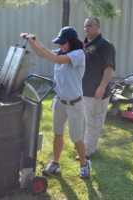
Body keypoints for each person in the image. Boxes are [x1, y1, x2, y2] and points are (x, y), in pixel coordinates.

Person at [20, 27, 91, 179]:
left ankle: (84, 164)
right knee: (57, 133)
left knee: (76, 138)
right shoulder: (61, 51)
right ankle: (55, 162)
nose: (60, 46)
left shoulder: (78, 54)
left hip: (75, 104)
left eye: (63, 43)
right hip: (60, 101)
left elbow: (55, 59)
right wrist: (30, 41)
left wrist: (38, 41)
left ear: (71, 42)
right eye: (59, 43)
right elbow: (41, 53)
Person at [79, 17, 116, 160]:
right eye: (85, 26)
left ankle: (88, 151)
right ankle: (82, 147)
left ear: (98, 27)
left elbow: (109, 67)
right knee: (83, 121)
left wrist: (102, 87)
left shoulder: (105, 45)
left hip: (97, 92)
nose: (86, 28)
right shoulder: (83, 45)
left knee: (93, 122)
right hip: (82, 91)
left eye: (90, 26)